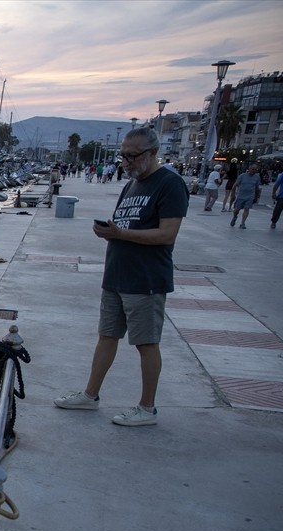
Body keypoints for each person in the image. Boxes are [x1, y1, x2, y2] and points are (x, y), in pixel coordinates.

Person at [54, 127, 189, 427]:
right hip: (116, 274)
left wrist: (120, 234)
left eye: (133, 156)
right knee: (107, 336)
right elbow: (126, 225)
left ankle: (147, 408)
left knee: (146, 343)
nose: (126, 162)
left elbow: (167, 234)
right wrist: (110, 233)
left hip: (146, 279)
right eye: (123, 156)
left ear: (152, 153)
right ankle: (90, 396)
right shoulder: (132, 185)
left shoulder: (169, 184)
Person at [230, 164, 262, 229]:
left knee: (246, 209)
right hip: (241, 195)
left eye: (255, 170)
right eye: (253, 169)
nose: (254, 171)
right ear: (249, 169)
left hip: (250, 196)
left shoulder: (257, 177)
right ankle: (234, 217)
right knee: (237, 209)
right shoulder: (242, 176)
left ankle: (242, 223)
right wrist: (232, 195)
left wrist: (256, 197)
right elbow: (234, 186)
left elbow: (257, 188)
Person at [270, 165, 283, 230]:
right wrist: (274, 193)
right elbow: (277, 183)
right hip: (282, 195)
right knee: (278, 210)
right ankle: (274, 222)